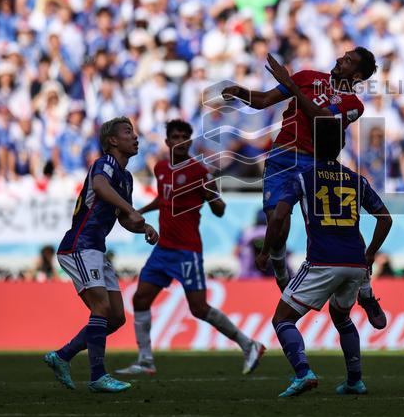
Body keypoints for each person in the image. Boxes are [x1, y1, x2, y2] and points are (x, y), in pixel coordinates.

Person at [221, 50, 387, 329]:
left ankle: (366, 291)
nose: (338, 60)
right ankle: (278, 265)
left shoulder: (354, 104)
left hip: (317, 163)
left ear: (357, 76)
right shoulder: (308, 76)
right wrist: (239, 91)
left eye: (347, 61)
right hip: (282, 157)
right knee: (276, 220)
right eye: (342, 56)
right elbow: (263, 101)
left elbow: (320, 117)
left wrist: (292, 85)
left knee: (342, 228)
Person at [117, 120, 265, 377]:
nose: (181, 141)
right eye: (176, 136)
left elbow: (220, 210)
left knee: (198, 308)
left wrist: (211, 197)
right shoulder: (160, 168)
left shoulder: (199, 171)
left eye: (185, 137)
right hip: (163, 249)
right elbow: (164, 198)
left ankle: (248, 344)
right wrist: (138, 211)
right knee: (140, 298)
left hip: (187, 250)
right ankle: (145, 360)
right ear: (167, 142)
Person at [257, 117, 392, 397]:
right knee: (341, 316)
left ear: (313, 145)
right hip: (356, 263)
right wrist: (370, 253)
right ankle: (355, 380)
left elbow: (280, 216)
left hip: (322, 261)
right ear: (342, 145)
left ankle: (303, 372)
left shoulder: (302, 178)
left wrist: (266, 251)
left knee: (282, 319)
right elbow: (385, 219)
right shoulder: (357, 180)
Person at [43, 117, 159, 394]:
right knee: (102, 308)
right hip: (79, 245)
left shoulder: (127, 177)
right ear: (113, 141)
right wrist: (129, 210)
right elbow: (101, 188)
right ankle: (97, 376)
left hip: (96, 248)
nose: (135, 136)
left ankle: (62, 356)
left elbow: (124, 218)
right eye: (128, 132)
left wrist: (143, 225)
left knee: (116, 317)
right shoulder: (104, 163)